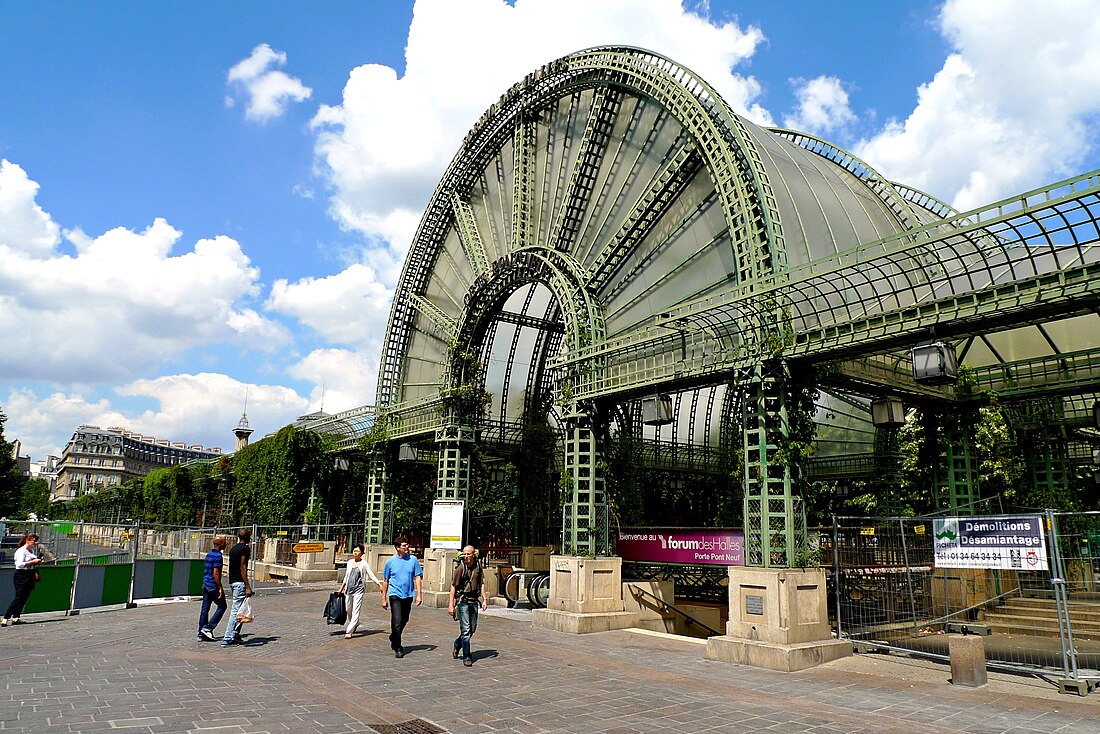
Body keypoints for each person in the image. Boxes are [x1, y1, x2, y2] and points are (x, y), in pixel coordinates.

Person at [380, 537, 422, 658]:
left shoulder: (413, 560)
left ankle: (394, 636)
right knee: (396, 621)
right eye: (404, 545)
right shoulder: (390, 562)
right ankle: (398, 646)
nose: (407, 547)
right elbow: (385, 580)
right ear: (398, 548)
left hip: (408, 594)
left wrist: (419, 594)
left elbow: (418, 577)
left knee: (404, 619)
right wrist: (383, 598)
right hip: (395, 594)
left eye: (407, 545)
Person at [448, 545, 487, 667]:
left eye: (468, 554)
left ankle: (457, 644)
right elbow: (453, 586)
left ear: (473, 554)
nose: (466, 557)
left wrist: (485, 599)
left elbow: (482, 584)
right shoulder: (460, 568)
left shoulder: (478, 567)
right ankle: (466, 655)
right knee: (465, 630)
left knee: (472, 629)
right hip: (463, 601)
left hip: (474, 601)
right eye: (464, 554)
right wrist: (450, 605)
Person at [338, 544, 379, 639]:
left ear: (362, 553)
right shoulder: (349, 562)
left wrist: (379, 584)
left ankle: (349, 631)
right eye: (354, 551)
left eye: (357, 551)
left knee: (356, 610)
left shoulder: (364, 564)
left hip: (359, 590)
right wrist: (341, 588)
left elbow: (371, 575)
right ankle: (355, 622)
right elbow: (346, 577)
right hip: (348, 590)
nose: (355, 553)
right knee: (348, 609)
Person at [221, 528, 253, 647]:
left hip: (233, 581)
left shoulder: (233, 548)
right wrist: (248, 586)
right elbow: (243, 567)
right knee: (236, 610)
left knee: (241, 610)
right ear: (247, 537)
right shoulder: (245, 548)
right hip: (240, 581)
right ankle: (228, 637)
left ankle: (235, 633)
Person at [3, 533, 43, 626]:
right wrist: (33, 562)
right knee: (19, 597)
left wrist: (37, 561)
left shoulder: (31, 551)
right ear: (27, 540)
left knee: (25, 597)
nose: (35, 543)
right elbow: (20, 564)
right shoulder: (21, 551)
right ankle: (6, 617)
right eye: (33, 541)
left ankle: (16, 617)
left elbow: (33, 560)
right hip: (21, 575)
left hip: (30, 574)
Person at [197, 535, 227, 641]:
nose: (226, 544)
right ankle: (208, 628)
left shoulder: (208, 555)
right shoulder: (218, 556)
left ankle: (201, 633)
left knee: (205, 609)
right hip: (212, 585)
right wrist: (220, 588)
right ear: (219, 544)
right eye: (224, 542)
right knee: (222, 606)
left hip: (205, 584)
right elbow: (216, 573)